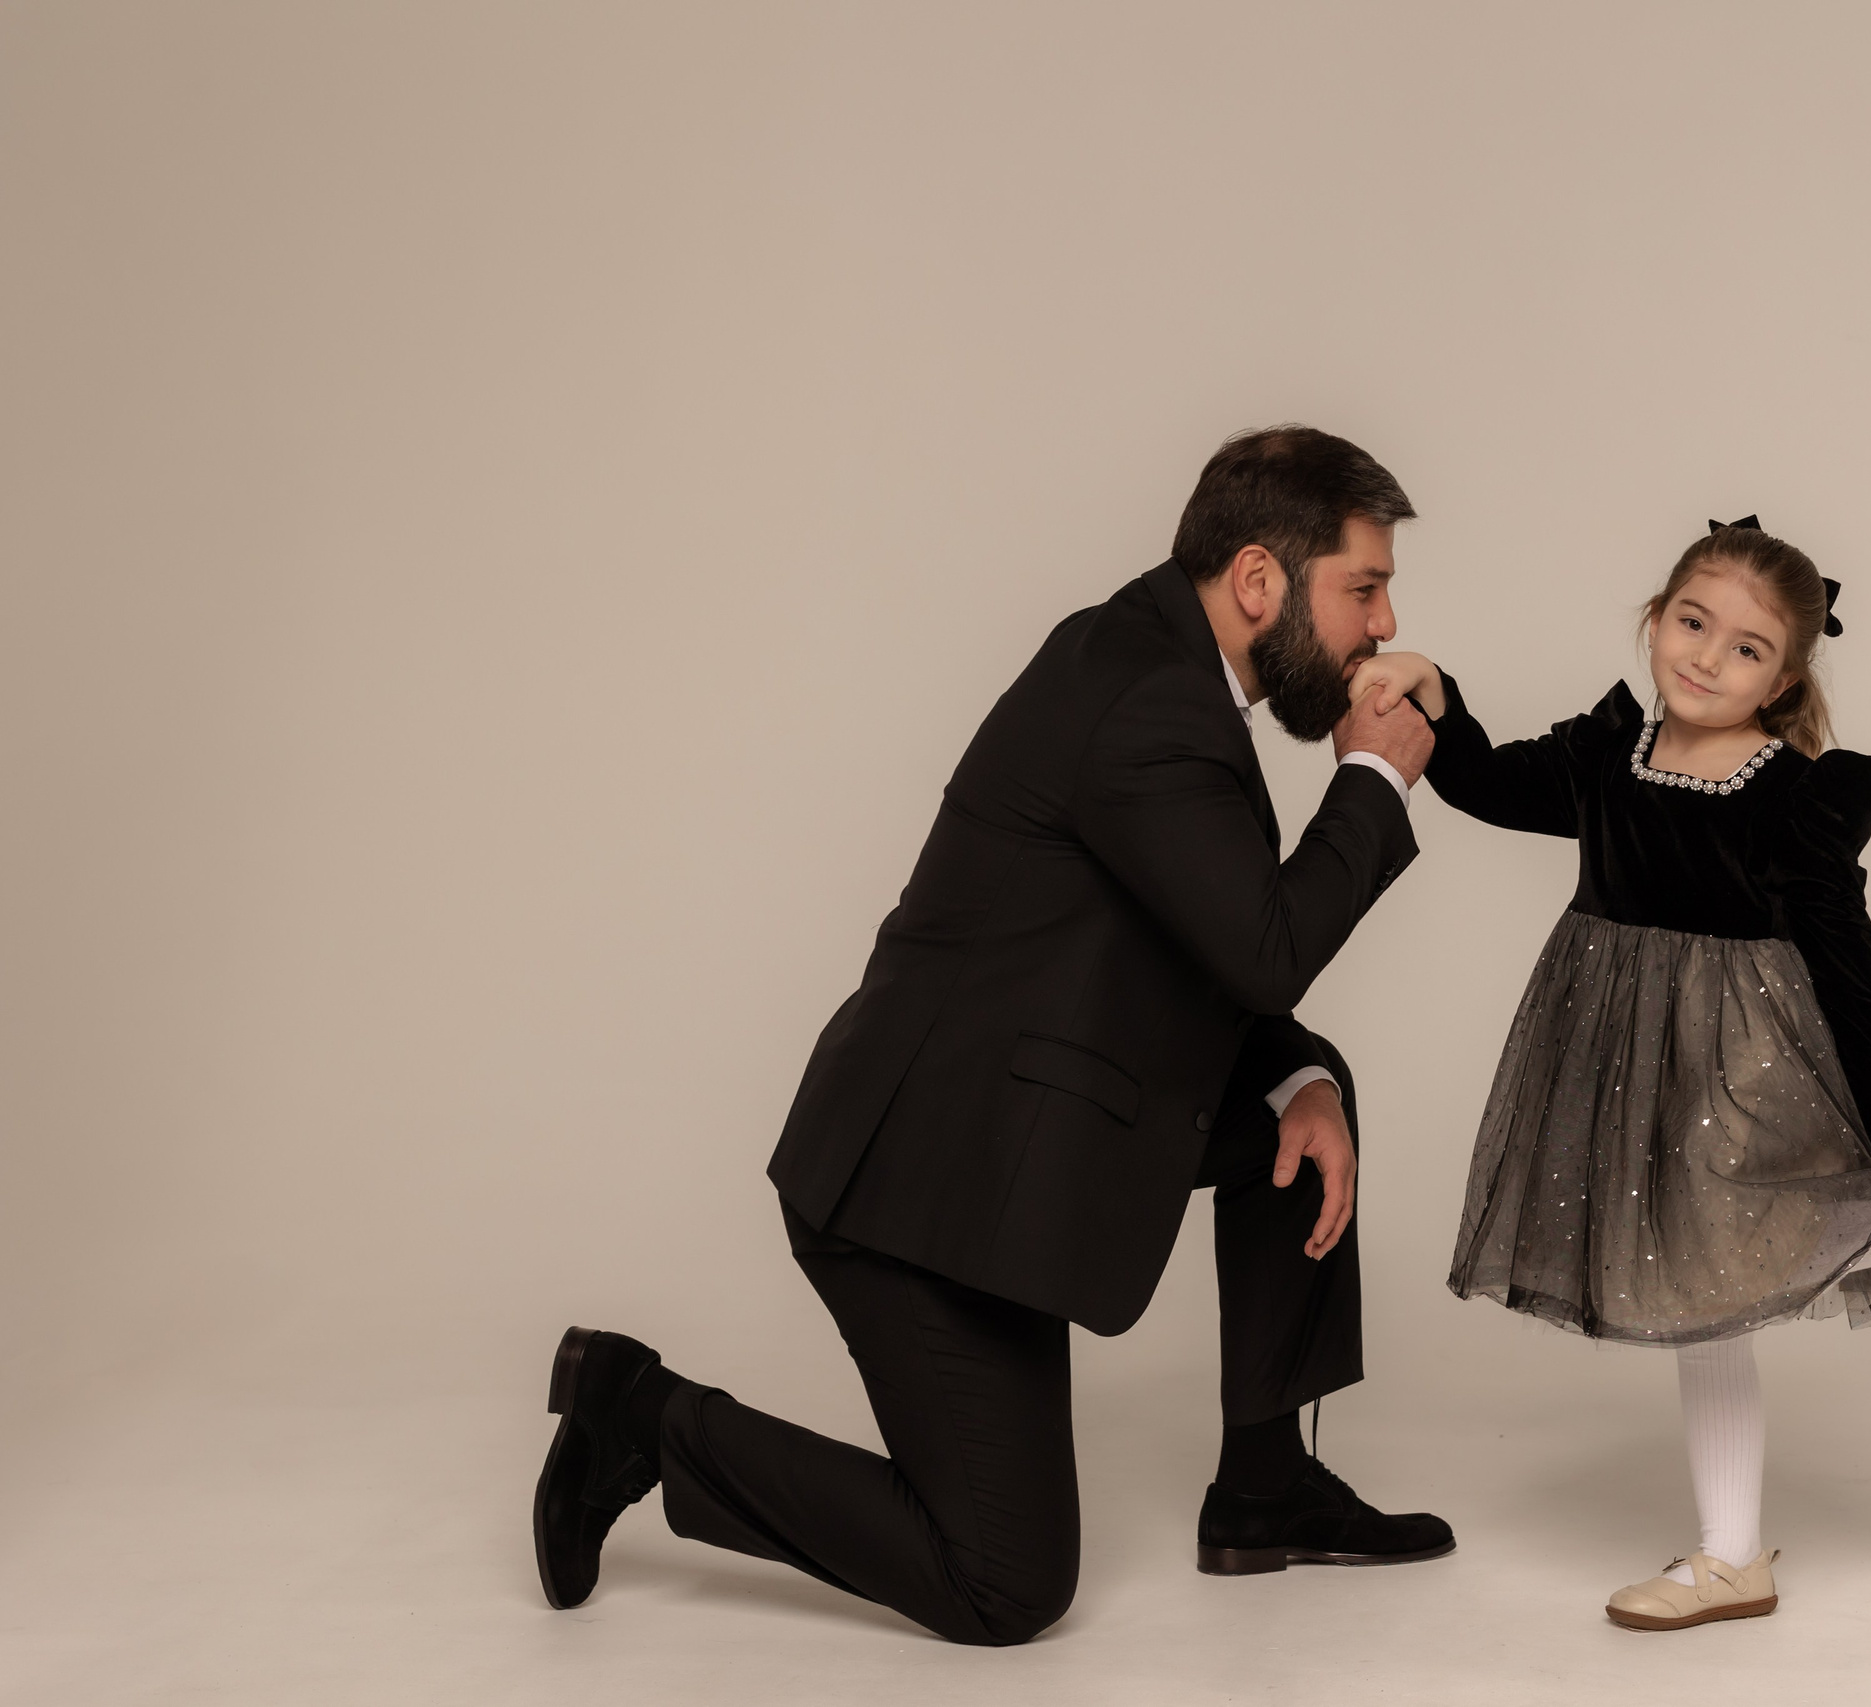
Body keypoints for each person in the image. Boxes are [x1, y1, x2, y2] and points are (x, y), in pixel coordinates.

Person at [531, 426, 1456, 1645]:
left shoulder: (1158, 668)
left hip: (1033, 1121)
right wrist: (1374, 780)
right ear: (1257, 580)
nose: (1384, 626)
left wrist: (1290, 1069)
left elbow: (1200, 946)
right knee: (1007, 1584)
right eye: (1364, 588)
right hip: (923, 1191)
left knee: (1305, 1082)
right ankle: (636, 1412)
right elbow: (1265, 945)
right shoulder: (1148, 704)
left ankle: (1263, 1488)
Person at [1346, 517, 1871, 1631]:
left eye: (1748, 649)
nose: (1708, 658)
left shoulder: (1794, 797)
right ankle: (1731, 1558)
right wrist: (1436, 692)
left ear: (1786, 677)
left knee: (1719, 1256)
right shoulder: (1601, 755)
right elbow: (1477, 783)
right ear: (1655, 619)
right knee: (1693, 1290)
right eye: (1692, 623)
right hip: (1619, 1055)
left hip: (1735, 1053)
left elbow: (1842, 952)